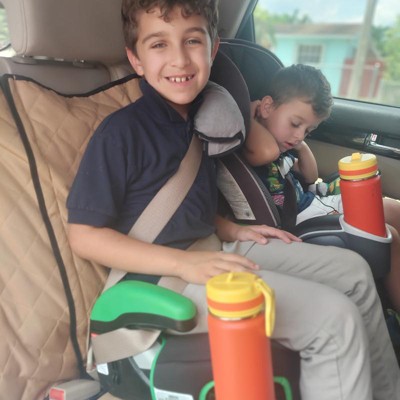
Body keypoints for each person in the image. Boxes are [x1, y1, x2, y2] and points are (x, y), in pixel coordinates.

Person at [66, 1, 400, 399]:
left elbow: (190, 210)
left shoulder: (208, 117)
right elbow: (84, 235)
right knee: (334, 319)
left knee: (355, 272)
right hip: (163, 274)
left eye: (193, 41)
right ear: (135, 60)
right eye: (158, 44)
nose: (179, 59)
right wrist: (184, 263)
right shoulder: (121, 132)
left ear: (213, 49)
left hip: (214, 246)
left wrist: (234, 229)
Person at [243, 64, 400, 324]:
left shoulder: (284, 144)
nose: (299, 135)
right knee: (389, 235)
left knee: (392, 207)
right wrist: (246, 115)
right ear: (267, 106)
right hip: (300, 221)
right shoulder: (253, 142)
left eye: (308, 130)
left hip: (315, 202)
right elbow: (267, 153)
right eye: (295, 124)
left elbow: (309, 175)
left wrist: (300, 144)